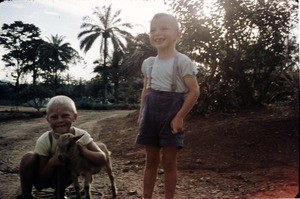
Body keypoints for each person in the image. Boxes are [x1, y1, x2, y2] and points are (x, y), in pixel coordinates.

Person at [136, 13, 200, 199]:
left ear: (177, 34)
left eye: (164, 29)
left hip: (172, 112)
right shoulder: (149, 63)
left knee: (169, 161)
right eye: (153, 30)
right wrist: (141, 113)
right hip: (151, 112)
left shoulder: (182, 61)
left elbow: (194, 91)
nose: (158, 33)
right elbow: (146, 90)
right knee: (151, 160)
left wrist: (179, 117)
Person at [16, 95, 107, 199]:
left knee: (67, 161)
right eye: (54, 117)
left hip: (67, 177)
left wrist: (82, 150)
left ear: (74, 117)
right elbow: (42, 177)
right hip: (45, 179)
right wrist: (51, 162)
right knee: (28, 157)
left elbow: (102, 158)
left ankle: (60, 194)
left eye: (65, 116)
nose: (60, 120)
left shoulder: (81, 135)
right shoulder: (45, 140)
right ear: (48, 120)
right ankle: (26, 195)